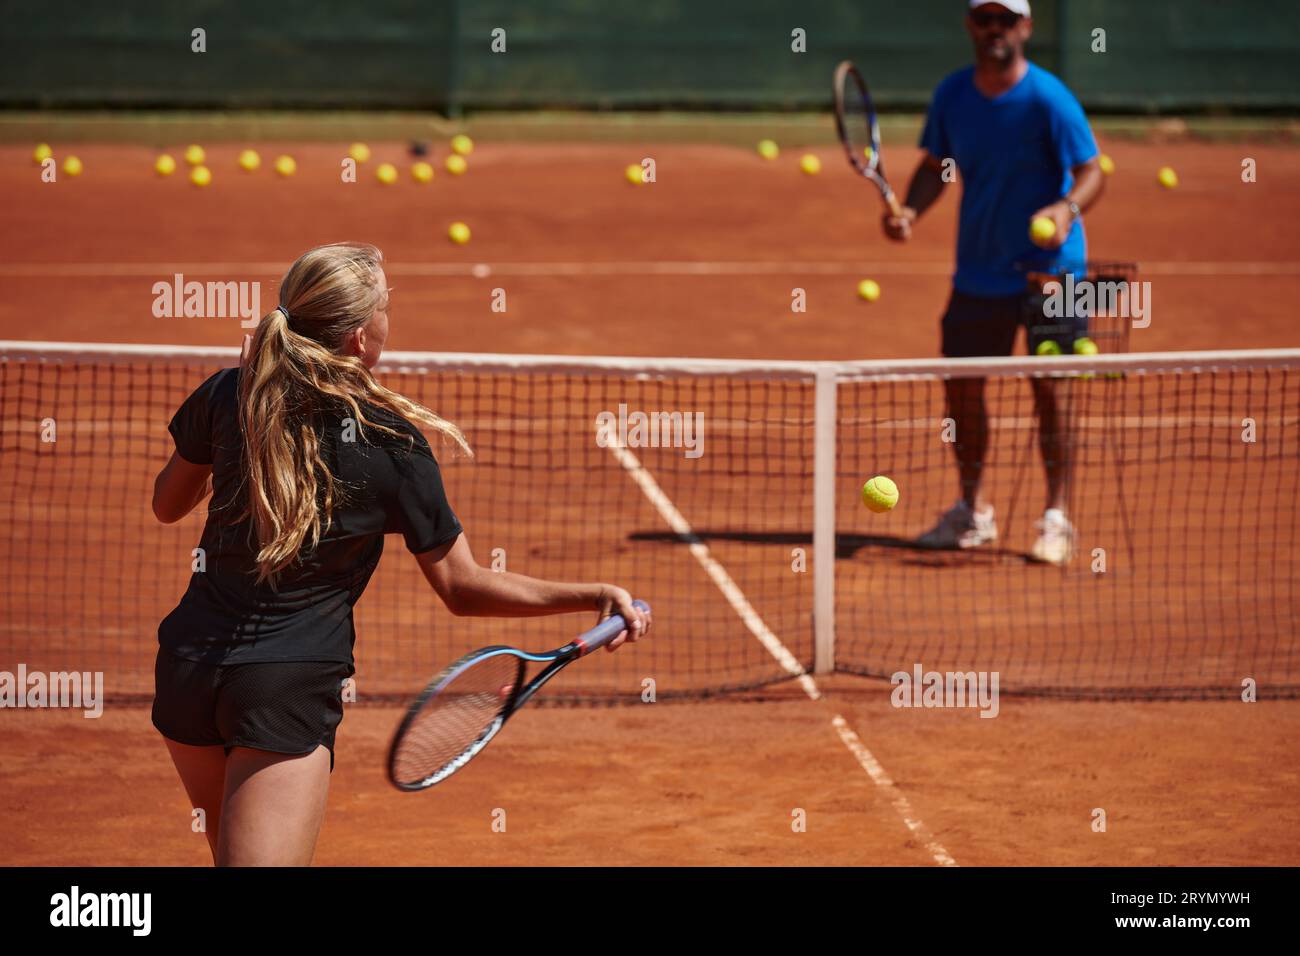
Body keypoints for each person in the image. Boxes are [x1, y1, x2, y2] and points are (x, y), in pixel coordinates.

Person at [150, 242, 650, 866]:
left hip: (187, 669)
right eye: (386, 304)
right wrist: (592, 594)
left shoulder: (228, 394)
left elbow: (168, 504)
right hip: (282, 687)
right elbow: (462, 587)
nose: (392, 314)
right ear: (360, 337)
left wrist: (245, 410)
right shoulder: (391, 441)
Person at [883, 0, 1105, 565]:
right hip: (979, 271)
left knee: (1052, 389)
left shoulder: (1049, 98)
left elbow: (1092, 170)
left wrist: (1065, 210)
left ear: (1025, 28)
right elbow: (938, 166)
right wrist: (909, 211)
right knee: (962, 387)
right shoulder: (953, 95)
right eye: (985, 19)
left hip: (1053, 272)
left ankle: (1056, 517)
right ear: (970, 27)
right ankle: (972, 510)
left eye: (1006, 20)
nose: (995, 30)